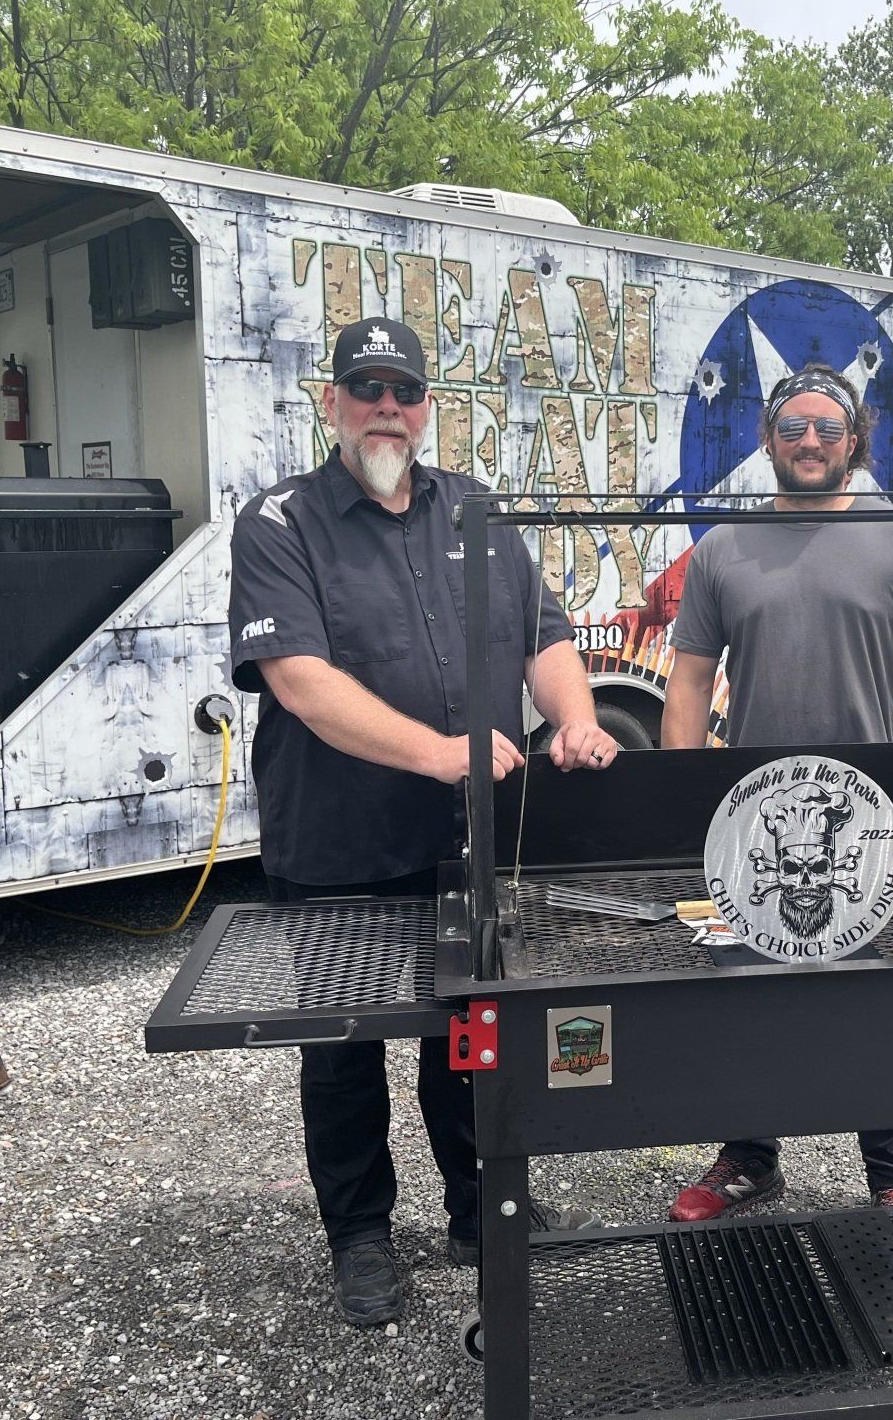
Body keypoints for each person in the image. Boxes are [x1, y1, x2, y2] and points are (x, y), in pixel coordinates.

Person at [228, 316, 614, 1327]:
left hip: (465, 844)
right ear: (334, 404)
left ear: (427, 405)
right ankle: (359, 1236)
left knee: (469, 1037)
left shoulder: (475, 511)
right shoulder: (279, 524)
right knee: (344, 1051)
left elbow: (547, 636)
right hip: (336, 841)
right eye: (367, 389)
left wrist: (573, 721)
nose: (387, 407)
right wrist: (445, 751)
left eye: (405, 390)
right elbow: (302, 684)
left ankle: (481, 1211)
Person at [660, 362, 893, 1222]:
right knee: (745, 987)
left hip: (867, 806)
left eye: (827, 428)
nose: (810, 441)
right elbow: (691, 680)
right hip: (749, 809)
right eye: (792, 427)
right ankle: (749, 1155)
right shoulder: (723, 546)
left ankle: (890, 1165)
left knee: (870, 989)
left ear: (854, 442)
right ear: (769, 438)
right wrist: (676, 787)